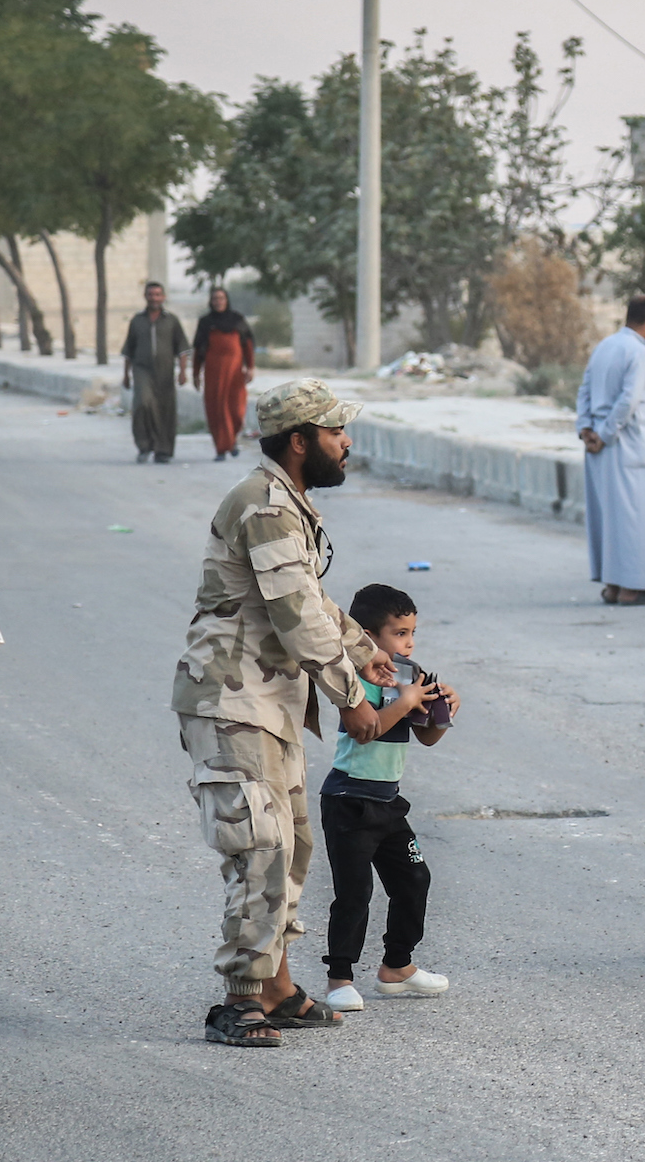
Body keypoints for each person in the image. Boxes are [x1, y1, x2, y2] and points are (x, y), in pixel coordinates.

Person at [173, 377, 396, 1046]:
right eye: (335, 432)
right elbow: (297, 620)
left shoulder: (288, 503)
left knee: (292, 843)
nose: (346, 442)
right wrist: (353, 701)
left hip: (266, 701)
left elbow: (316, 603)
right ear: (300, 443)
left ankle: (277, 987)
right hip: (230, 702)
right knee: (259, 846)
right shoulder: (265, 506)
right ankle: (240, 998)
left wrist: (364, 653)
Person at [320, 583, 459, 1013]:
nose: (409, 642)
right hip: (349, 800)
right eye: (399, 633)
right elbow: (368, 728)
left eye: (412, 632)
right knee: (354, 892)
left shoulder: (406, 677)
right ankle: (339, 977)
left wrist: (442, 710)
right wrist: (406, 700)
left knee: (414, 880)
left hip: (388, 804)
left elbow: (429, 738)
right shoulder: (352, 678)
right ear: (366, 636)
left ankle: (397, 965)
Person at [576, 294, 645, 606]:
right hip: (625, 445)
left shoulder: (605, 345)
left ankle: (613, 585)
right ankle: (631, 589)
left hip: (600, 445)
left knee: (611, 517)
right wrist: (603, 434)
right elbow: (628, 401)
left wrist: (586, 428)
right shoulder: (638, 352)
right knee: (635, 518)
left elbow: (585, 388)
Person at [121, 281, 190, 464]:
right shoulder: (137, 321)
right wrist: (126, 375)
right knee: (142, 404)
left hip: (165, 372)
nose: (154, 298)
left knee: (165, 409)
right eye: (151, 295)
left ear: (164, 297)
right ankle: (144, 446)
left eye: (158, 295)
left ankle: (163, 450)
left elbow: (182, 349)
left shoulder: (171, 321)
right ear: (145, 296)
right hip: (142, 370)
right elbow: (128, 351)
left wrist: (183, 372)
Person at [193, 288, 257, 462]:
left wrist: (250, 367)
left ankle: (231, 440)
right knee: (216, 410)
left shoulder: (238, 320)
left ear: (227, 300)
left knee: (236, 409)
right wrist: (196, 374)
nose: (218, 301)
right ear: (210, 301)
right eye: (215, 298)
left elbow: (248, 344)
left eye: (221, 298)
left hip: (235, 372)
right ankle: (221, 448)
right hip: (213, 372)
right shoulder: (205, 322)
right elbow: (198, 349)